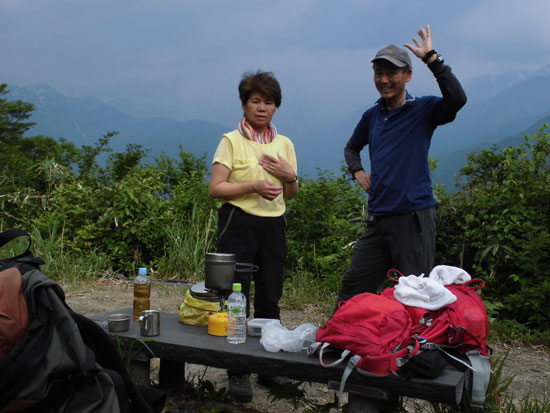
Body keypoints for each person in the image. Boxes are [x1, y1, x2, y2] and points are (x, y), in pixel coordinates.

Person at [336, 25, 467, 305]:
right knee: (353, 287)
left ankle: (420, 336)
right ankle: (337, 332)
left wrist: (432, 59)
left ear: (408, 75)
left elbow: (457, 99)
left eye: (391, 73)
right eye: (378, 73)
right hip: (377, 218)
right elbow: (351, 147)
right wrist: (358, 171)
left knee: (416, 294)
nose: (384, 80)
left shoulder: (423, 110)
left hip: (413, 218)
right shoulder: (372, 116)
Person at [209, 70, 299, 402]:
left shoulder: (284, 144)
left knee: (269, 297)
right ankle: (237, 371)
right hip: (238, 223)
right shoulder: (231, 141)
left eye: (269, 102)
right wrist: (253, 186)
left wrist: (290, 176)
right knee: (236, 297)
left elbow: (291, 194)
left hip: (274, 226)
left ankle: (268, 366)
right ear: (244, 104)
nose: (263, 108)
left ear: (276, 107)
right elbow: (216, 188)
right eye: (256, 101)